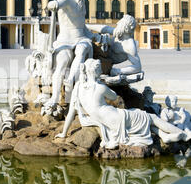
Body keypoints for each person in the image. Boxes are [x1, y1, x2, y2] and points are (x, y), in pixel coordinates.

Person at [56, 58, 191, 148]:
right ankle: (184, 135)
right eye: (100, 69)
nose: (102, 71)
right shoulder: (100, 87)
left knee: (144, 121)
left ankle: (164, 136)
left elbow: (71, 113)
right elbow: (114, 96)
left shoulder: (79, 87)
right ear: (96, 71)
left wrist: (63, 133)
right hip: (117, 117)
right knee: (152, 117)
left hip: (110, 120)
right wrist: (103, 81)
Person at [45, 0, 104, 106]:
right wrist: (53, 4)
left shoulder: (82, 3)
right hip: (65, 39)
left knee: (82, 50)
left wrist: (95, 36)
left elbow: (82, 26)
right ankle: (54, 98)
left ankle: (70, 82)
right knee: (63, 61)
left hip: (81, 37)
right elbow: (56, 3)